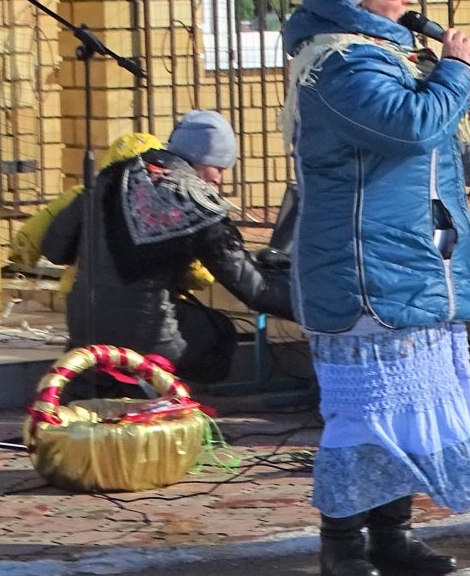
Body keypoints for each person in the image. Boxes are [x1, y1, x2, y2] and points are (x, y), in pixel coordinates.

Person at [281, 0, 470, 576]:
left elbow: (421, 147)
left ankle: (392, 538)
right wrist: (457, 67)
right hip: (364, 269)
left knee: (403, 409)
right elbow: (408, 126)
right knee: (365, 411)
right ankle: (342, 547)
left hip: (405, 256)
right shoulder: (339, 62)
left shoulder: (383, 53)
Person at [38, 111, 292, 386]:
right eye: (218, 168)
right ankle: (169, 399)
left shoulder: (109, 177)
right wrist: (314, 308)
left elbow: (54, 249)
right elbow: (252, 288)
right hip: (151, 338)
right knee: (220, 333)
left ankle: (121, 388)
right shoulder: (196, 200)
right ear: (201, 160)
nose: (218, 179)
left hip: (83, 329)